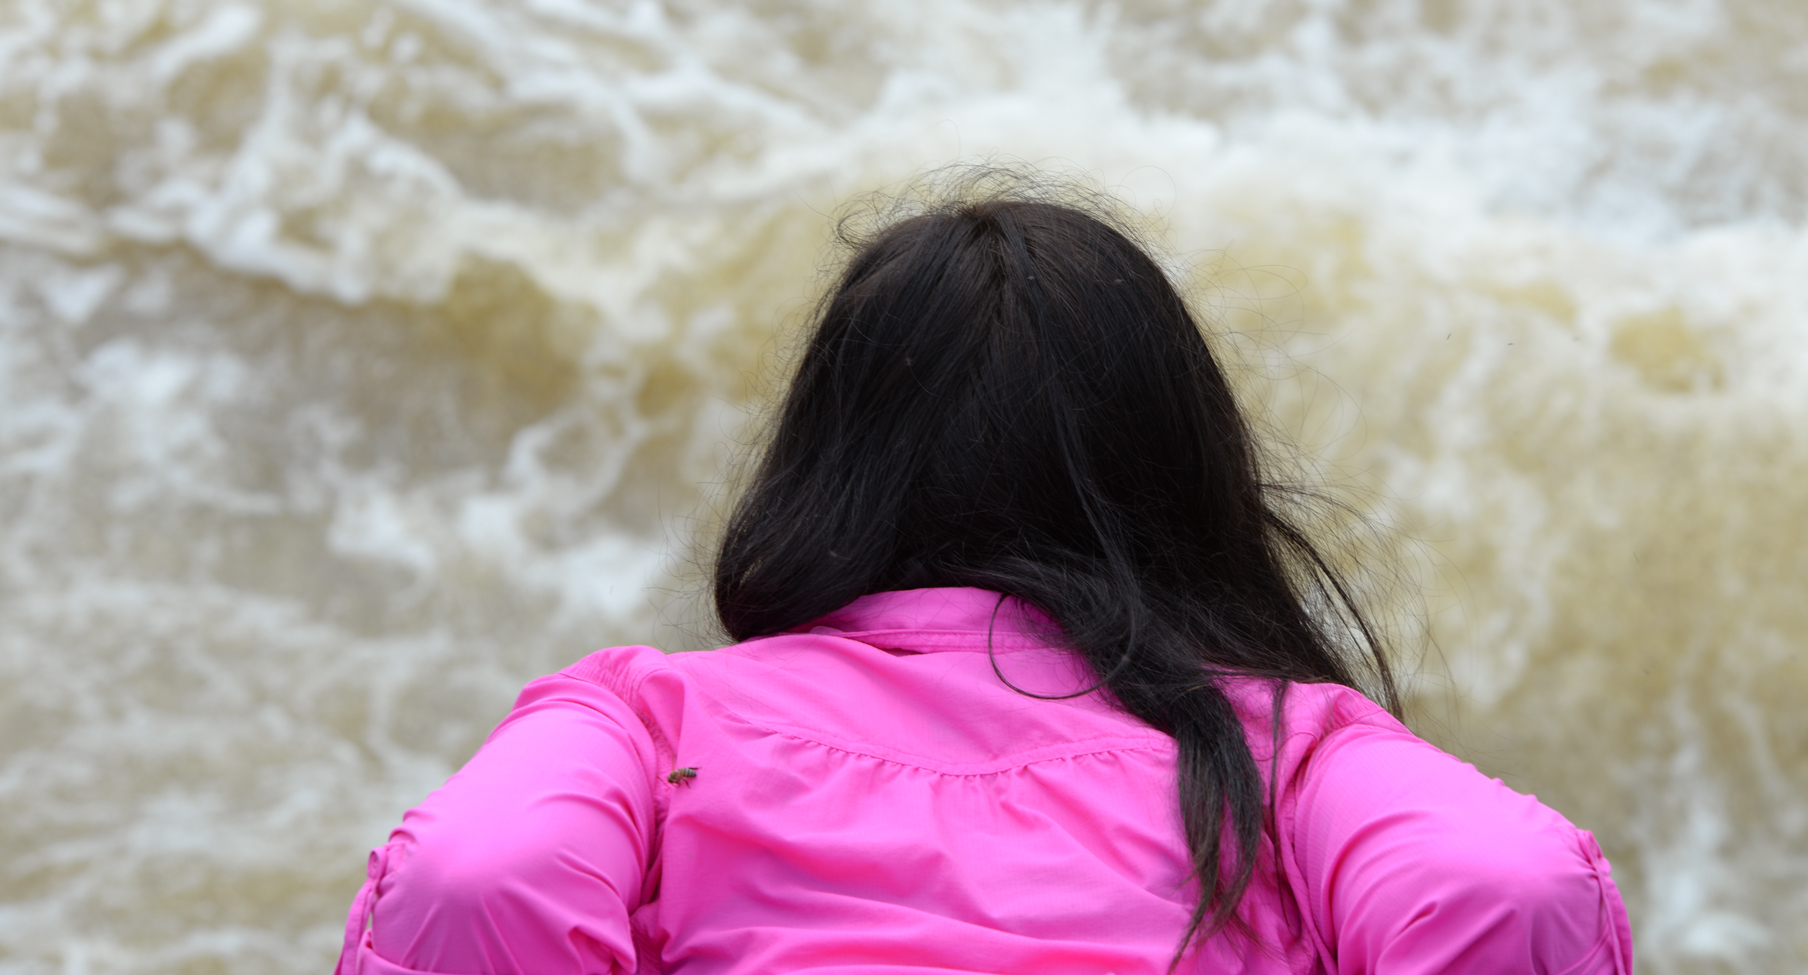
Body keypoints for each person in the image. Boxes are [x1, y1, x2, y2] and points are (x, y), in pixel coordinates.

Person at [333, 183, 1633, 975]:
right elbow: (1504, 888)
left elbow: (474, 877)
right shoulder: (1286, 757)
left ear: (827, 460)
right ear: (1179, 471)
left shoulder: (643, 721)